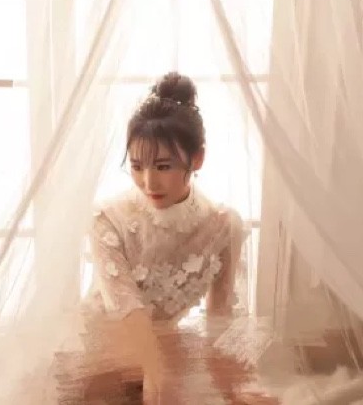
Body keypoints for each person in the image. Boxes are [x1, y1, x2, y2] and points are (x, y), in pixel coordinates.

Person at [88, 71, 248, 403]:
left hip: (165, 353)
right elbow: (127, 311)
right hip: (101, 349)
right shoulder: (108, 219)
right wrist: (155, 374)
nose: (148, 182)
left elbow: (220, 319)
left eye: (163, 166)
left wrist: (233, 386)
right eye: (137, 166)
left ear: (197, 158)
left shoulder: (224, 226)